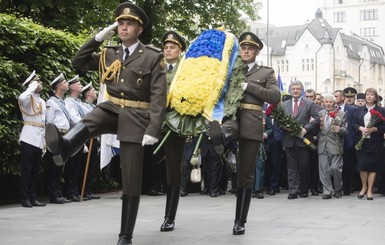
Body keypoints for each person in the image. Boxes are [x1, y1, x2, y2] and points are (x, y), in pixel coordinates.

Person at [45, 2, 166, 244]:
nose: (123, 27)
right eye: (120, 23)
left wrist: (153, 128)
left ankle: (126, 235)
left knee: (131, 178)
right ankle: (66, 146)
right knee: (94, 116)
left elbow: (158, 96)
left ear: (139, 29)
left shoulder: (153, 56)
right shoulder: (109, 53)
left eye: (129, 24)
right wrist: (98, 37)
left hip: (136, 115)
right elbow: (78, 61)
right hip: (112, 108)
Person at [232, 32, 281, 235]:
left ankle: (240, 220)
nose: (245, 50)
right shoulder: (231, 70)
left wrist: (249, 86)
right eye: (243, 47)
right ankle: (224, 148)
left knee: (245, 174)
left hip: (250, 124)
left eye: (249, 48)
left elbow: (275, 96)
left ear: (257, 51)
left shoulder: (266, 72)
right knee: (222, 138)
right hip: (230, 121)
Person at [281, 81, 319, 199]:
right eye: (293, 89)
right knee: (291, 167)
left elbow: (317, 119)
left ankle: (303, 189)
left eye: (298, 89)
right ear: (290, 90)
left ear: (301, 90)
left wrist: (305, 129)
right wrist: (284, 126)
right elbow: (279, 121)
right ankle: (293, 190)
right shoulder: (284, 105)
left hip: (303, 140)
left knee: (304, 166)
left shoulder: (309, 103)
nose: (295, 91)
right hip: (289, 139)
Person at [18, 71, 46, 208]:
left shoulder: (42, 101)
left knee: (35, 170)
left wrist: (44, 141)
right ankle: (25, 198)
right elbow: (22, 98)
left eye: (39, 82)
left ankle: (33, 196)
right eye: (37, 82)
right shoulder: (27, 98)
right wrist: (31, 87)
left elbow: (43, 122)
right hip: (28, 137)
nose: (40, 84)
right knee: (27, 170)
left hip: (39, 138)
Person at [352, 88, 385, 200]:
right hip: (362, 141)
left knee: (373, 166)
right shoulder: (359, 110)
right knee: (362, 165)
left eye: (371, 95)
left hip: (375, 142)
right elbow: (353, 124)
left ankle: (370, 189)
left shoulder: (381, 110)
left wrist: (375, 129)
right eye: (367, 94)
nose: (369, 96)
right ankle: (364, 187)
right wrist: (361, 128)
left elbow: (384, 126)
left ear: (375, 98)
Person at [45, 73, 72, 204]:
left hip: (63, 135)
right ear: (59, 86)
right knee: (53, 166)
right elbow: (49, 122)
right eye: (65, 82)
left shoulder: (63, 102)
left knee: (59, 166)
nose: (67, 84)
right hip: (55, 135)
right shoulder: (51, 102)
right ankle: (54, 195)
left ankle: (59, 193)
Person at [317, 94, 347, 199]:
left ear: (334, 103)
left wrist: (340, 130)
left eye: (330, 102)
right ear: (323, 103)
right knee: (324, 169)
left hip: (336, 145)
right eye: (326, 102)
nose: (328, 104)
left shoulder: (342, 114)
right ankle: (327, 191)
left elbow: (346, 130)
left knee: (335, 168)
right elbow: (317, 129)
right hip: (322, 145)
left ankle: (338, 188)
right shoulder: (320, 113)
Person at [64, 75, 84, 202]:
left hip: (80, 135)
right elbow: (73, 118)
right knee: (71, 166)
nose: (81, 85)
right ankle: (69, 192)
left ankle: (75, 191)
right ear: (72, 87)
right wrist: (86, 124)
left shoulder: (79, 103)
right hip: (73, 135)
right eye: (78, 84)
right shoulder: (68, 101)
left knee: (77, 166)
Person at [80, 82, 100, 200]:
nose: (95, 92)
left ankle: (89, 189)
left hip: (95, 138)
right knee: (85, 166)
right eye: (93, 90)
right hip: (88, 138)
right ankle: (82, 189)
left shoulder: (94, 107)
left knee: (92, 166)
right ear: (88, 94)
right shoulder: (83, 106)